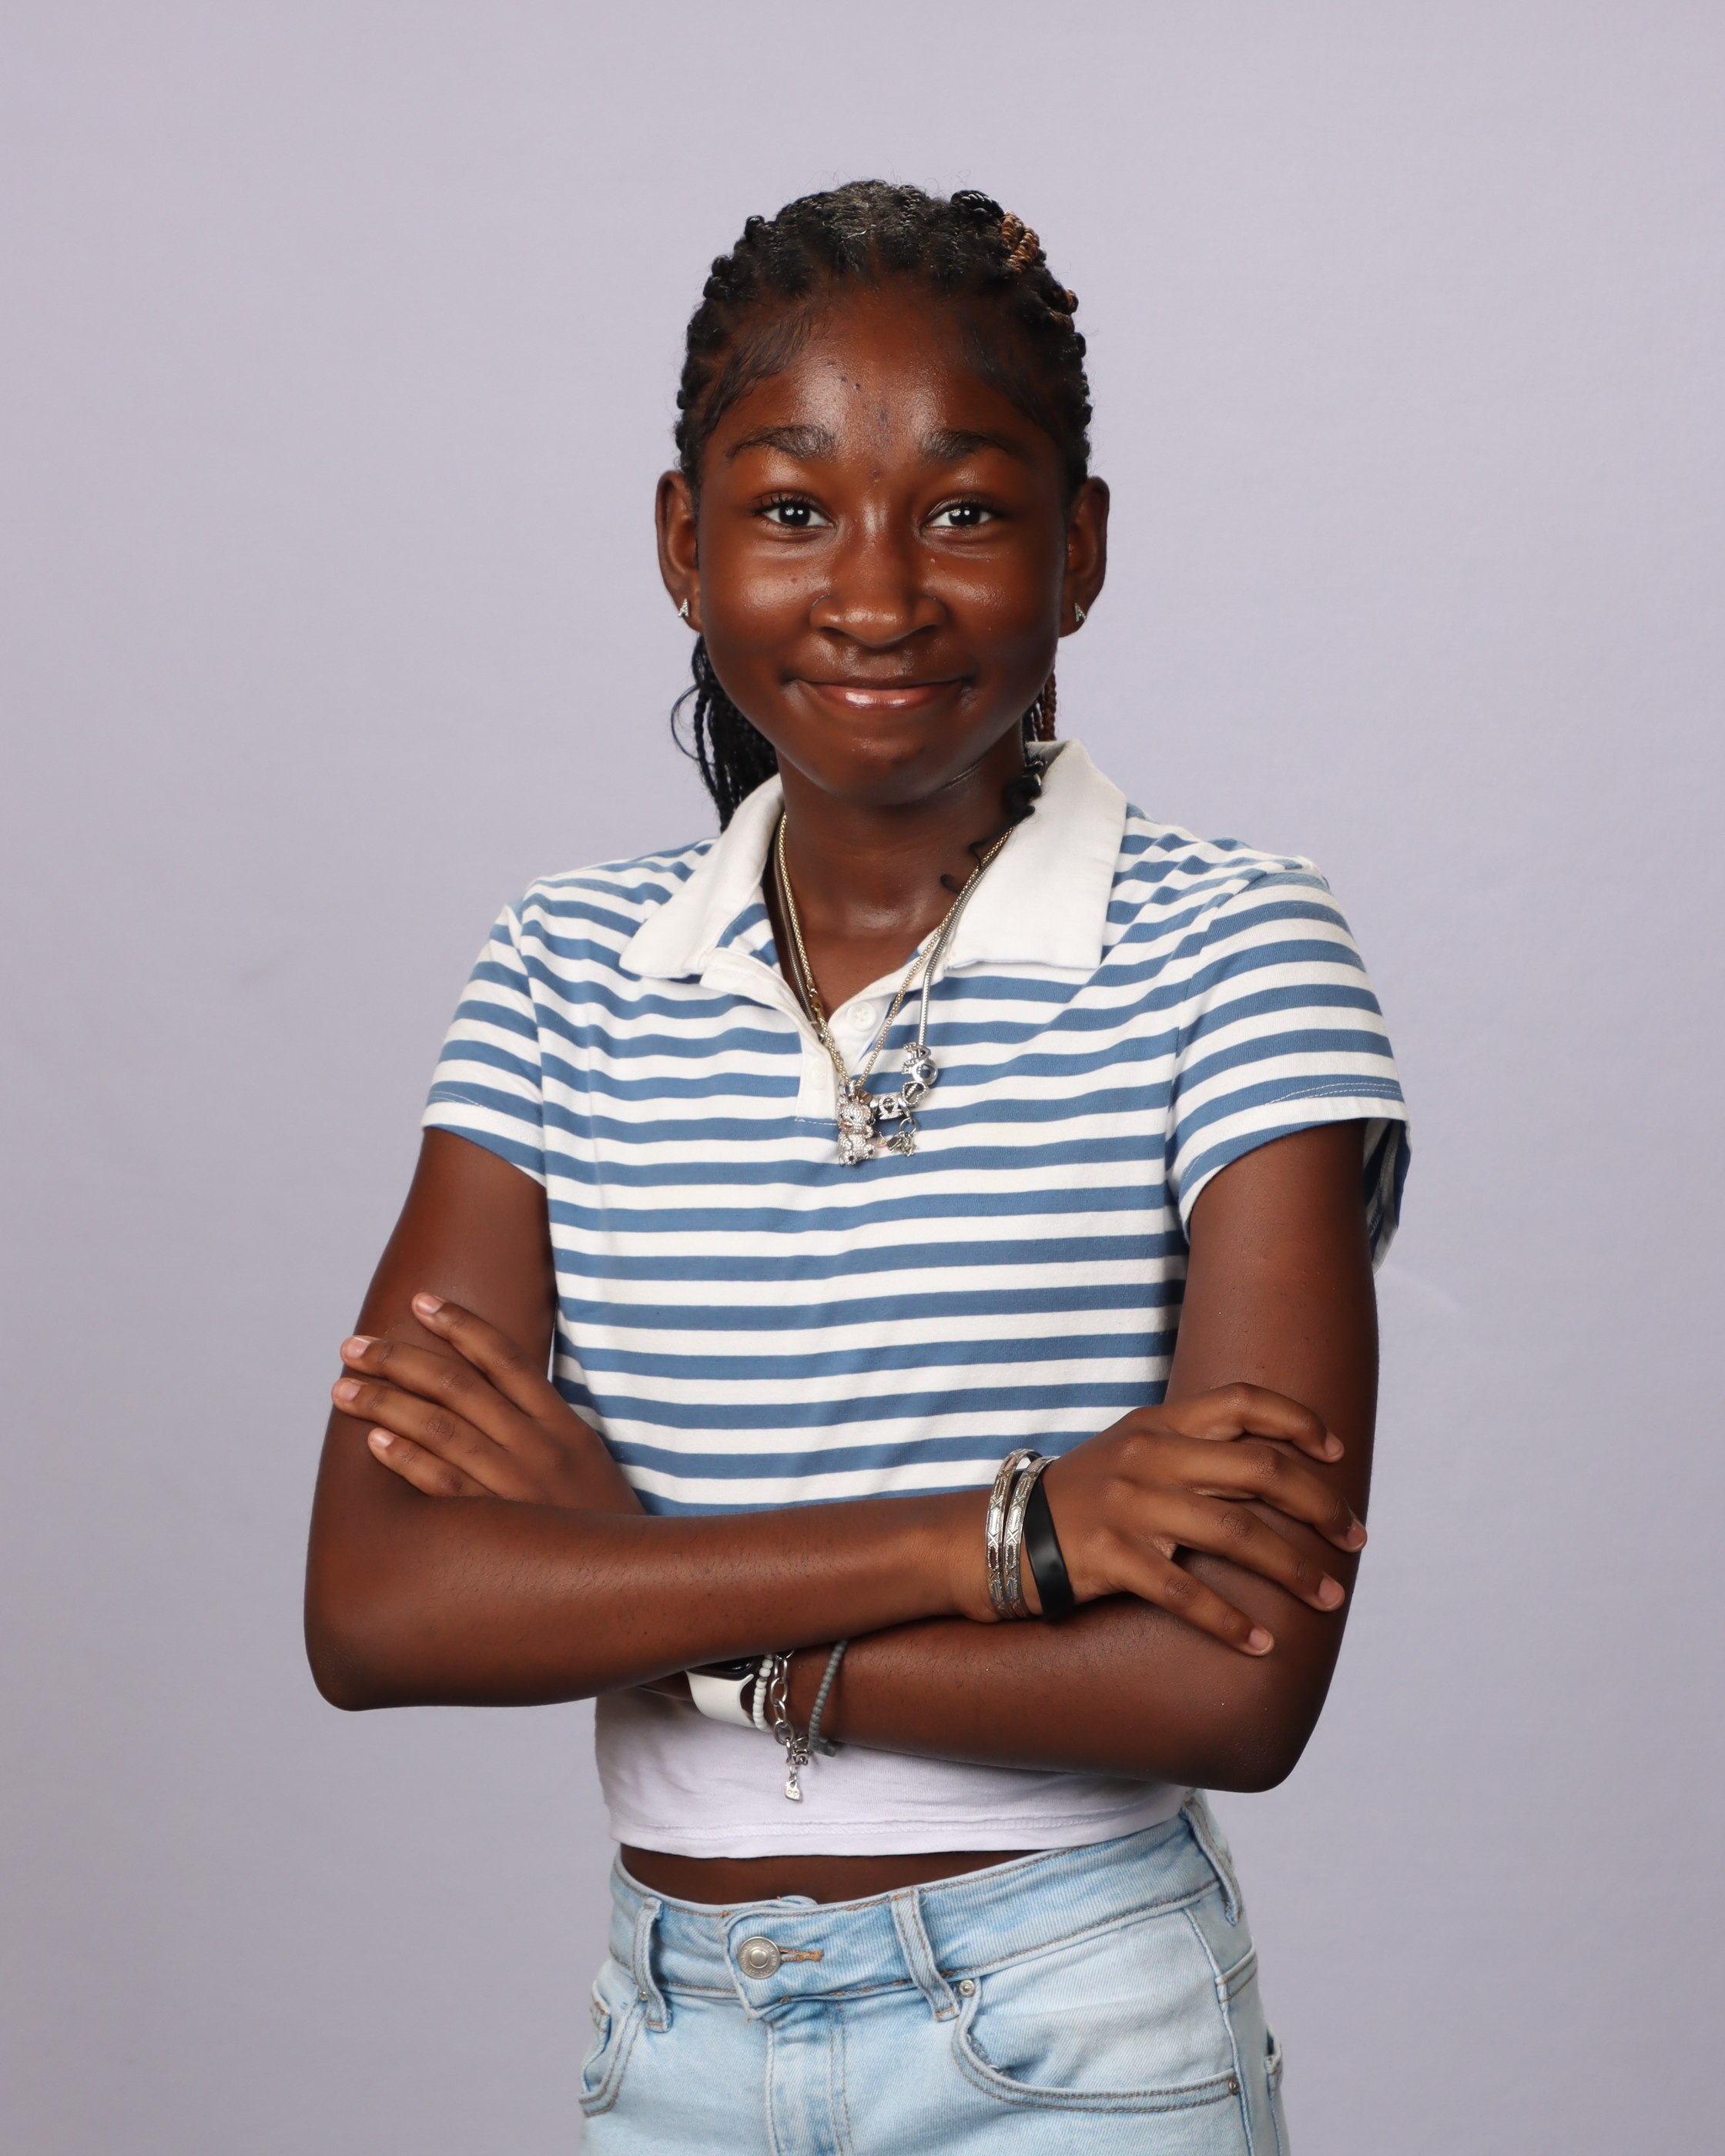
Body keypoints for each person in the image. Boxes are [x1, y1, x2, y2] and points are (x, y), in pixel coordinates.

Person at [305, 180, 1408, 2153]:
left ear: (1078, 548)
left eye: (965, 510)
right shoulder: (562, 969)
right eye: (794, 507)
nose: (877, 593)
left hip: (1072, 2026)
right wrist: (1003, 1539)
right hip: (667, 2035)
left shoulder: (1235, 948)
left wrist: (648, 1591)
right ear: (684, 541)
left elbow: (1230, 1685)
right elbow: (378, 1608)